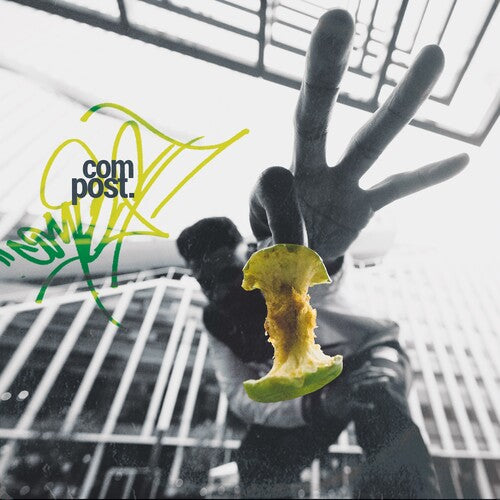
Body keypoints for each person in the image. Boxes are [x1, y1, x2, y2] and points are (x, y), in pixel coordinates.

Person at [176, 9, 469, 499]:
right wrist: (313, 407)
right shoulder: (216, 323)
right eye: (205, 281)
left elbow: (321, 294)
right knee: (257, 462)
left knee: (378, 401)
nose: (220, 290)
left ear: (246, 253)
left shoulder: (275, 269)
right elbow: (240, 397)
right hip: (310, 389)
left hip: (365, 353)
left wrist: (318, 257)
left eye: (227, 272)